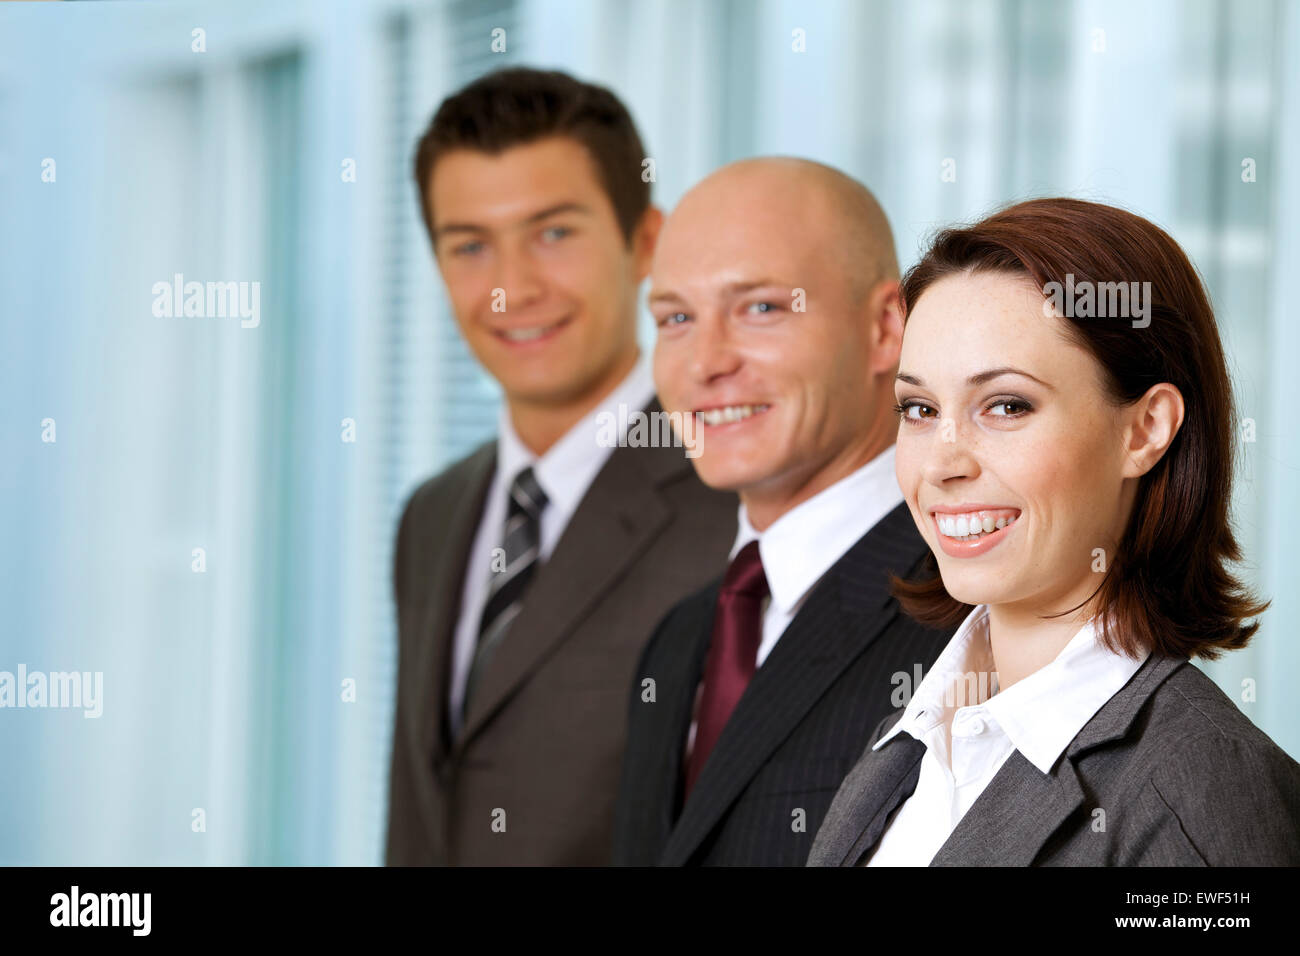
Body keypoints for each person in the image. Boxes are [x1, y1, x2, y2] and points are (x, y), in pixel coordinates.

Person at [809, 197, 1300, 866]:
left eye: (1006, 405)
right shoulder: (911, 737)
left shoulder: (1206, 797)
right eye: (919, 408)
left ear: (1146, 429)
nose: (943, 462)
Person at [385, 68, 736, 866]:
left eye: (554, 233)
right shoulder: (431, 516)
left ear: (645, 242)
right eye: (470, 246)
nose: (511, 289)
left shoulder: (734, 501)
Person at [611, 158, 957, 866]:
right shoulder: (679, 639)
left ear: (887, 327)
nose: (705, 362)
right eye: (675, 317)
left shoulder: (966, 618)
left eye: (761, 308)